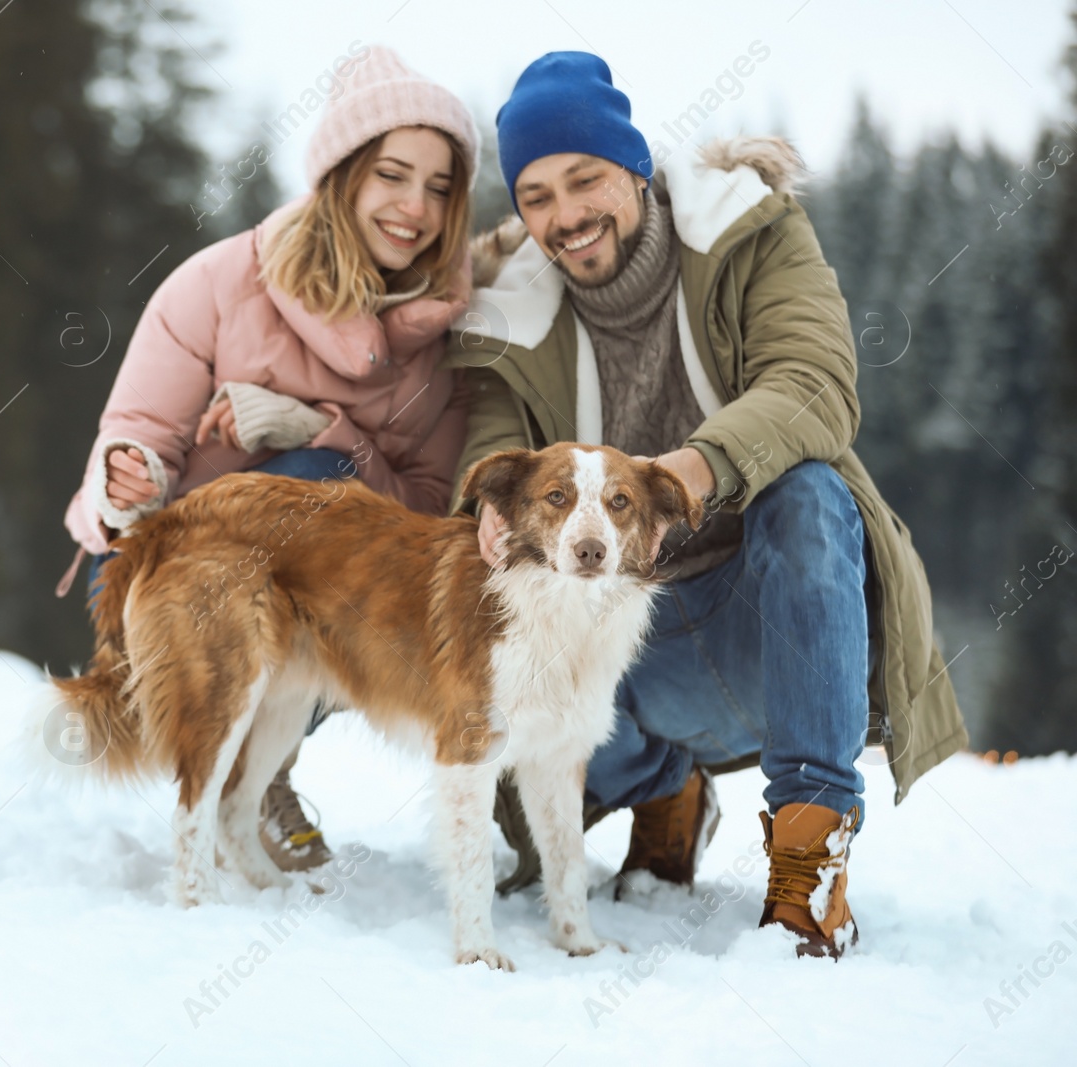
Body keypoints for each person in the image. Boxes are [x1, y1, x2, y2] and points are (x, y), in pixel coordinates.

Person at [444, 52, 967, 958]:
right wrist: (484, 511)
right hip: (611, 636)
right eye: (535, 196)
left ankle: (809, 868)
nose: (564, 216)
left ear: (635, 168)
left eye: (585, 180)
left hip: (759, 617)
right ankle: (664, 793)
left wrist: (696, 467)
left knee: (811, 492)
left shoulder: (751, 234)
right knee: (512, 748)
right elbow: (489, 445)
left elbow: (816, 385)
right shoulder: (511, 318)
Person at [57, 45, 478, 873]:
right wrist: (127, 470)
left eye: (439, 186)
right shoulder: (217, 283)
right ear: (343, 174)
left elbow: (427, 518)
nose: (415, 207)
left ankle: (258, 774)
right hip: (174, 579)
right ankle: (217, 766)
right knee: (304, 514)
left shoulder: (449, 342)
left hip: (333, 605)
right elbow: (136, 429)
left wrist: (312, 428)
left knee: (333, 505)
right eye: (393, 174)